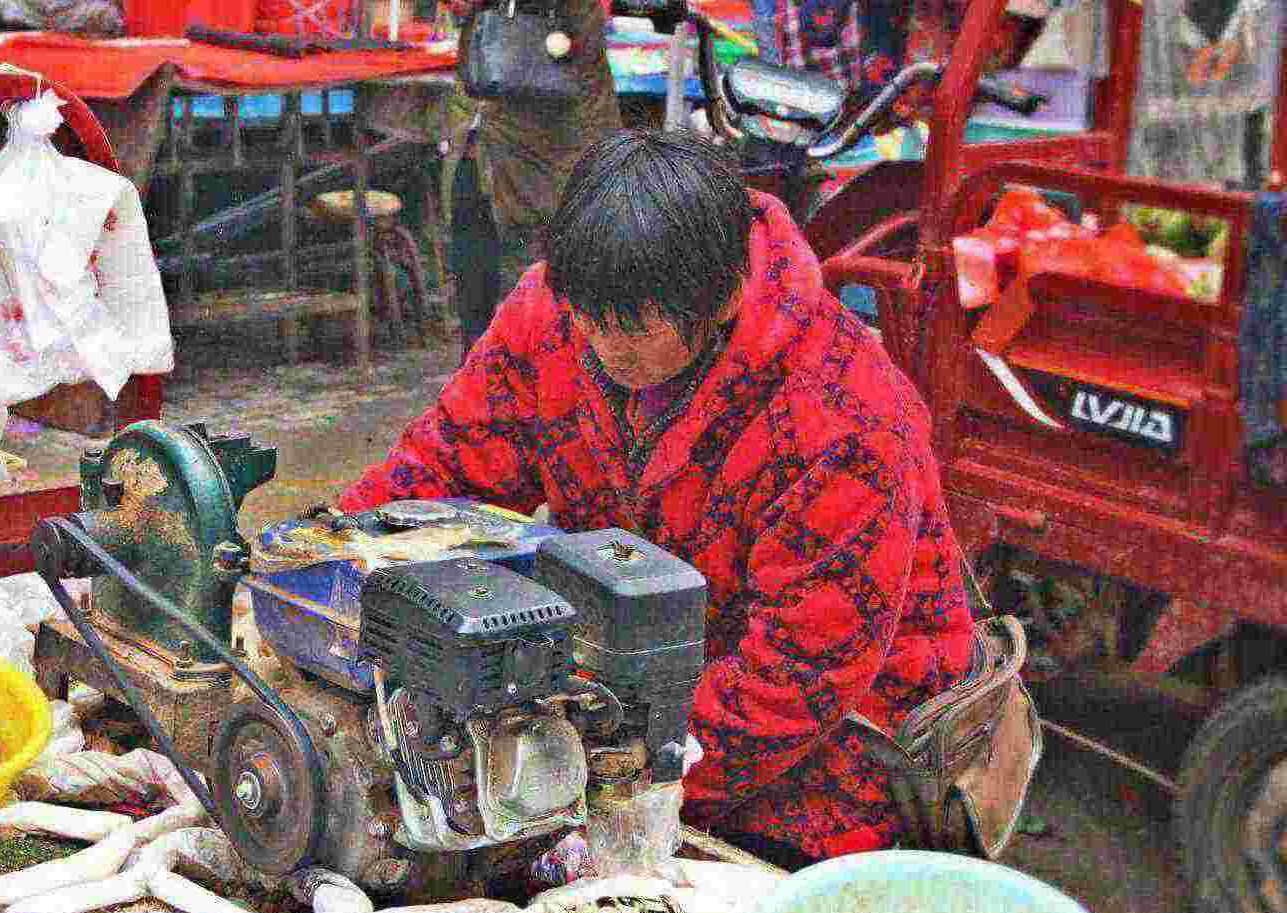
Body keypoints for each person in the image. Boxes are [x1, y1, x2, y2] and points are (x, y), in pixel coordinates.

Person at [338, 128, 977, 868]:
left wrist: (612, 793)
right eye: (587, 318)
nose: (602, 347)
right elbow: (440, 469)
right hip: (631, 682)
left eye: (631, 330)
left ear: (723, 299)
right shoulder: (556, 313)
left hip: (830, 757)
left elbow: (796, 677)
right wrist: (322, 559)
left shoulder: (844, 413)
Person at [438, 0, 621, 361]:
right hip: (487, 87)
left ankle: (553, 385)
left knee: (552, 249)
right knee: (469, 222)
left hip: (555, 93)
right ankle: (478, 377)